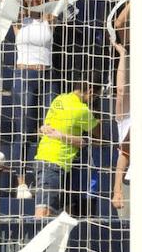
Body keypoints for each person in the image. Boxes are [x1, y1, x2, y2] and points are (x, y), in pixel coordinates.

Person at [32, 82, 103, 218]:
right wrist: (83, 139)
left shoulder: (59, 99)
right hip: (55, 162)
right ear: (90, 91)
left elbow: (46, 128)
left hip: (45, 157)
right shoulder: (82, 110)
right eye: (95, 97)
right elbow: (100, 137)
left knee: (56, 214)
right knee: (44, 213)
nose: (93, 100)